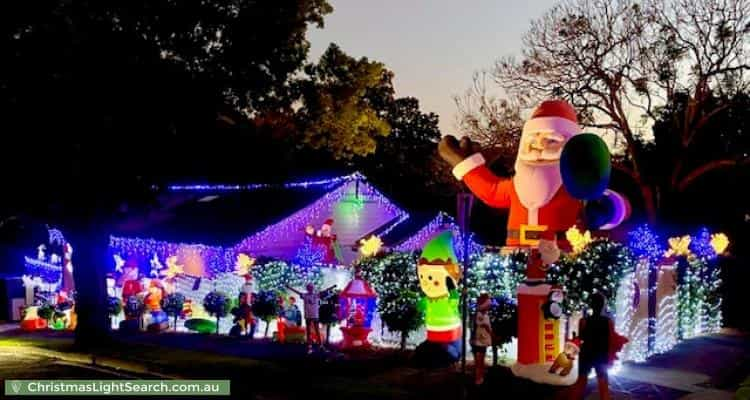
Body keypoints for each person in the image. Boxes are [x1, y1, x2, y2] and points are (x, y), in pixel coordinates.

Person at [572, 293, 619, 400]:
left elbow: (580, 340)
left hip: (586, 356)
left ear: (591, 305)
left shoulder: (583, 321)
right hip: (601, 356)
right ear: (602, 305)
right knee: (603, 387)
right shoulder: (608, 322)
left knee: (580, 385)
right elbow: (611, 340)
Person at [287, 283, 336, 353]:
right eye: (310, 287)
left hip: (314, 315)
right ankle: (310, 347)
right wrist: (289, 287)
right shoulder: (306, 295)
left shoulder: (315, 295)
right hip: (309, 315)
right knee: (309, 332)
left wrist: (332, 286)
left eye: (311, 287)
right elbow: (297, 292)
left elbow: (325, 291)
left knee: (316, 331)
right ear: (308, 288)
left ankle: (320, 346)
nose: (311, 288)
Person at [472, 293, 493, 385]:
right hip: (479, 341)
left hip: (482, 341)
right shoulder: (480, 315)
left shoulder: (484, 314)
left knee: (481, 361)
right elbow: (485, 326)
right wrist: (492, 333)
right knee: (479, 361)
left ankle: (480, 378)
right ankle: (478, 379)